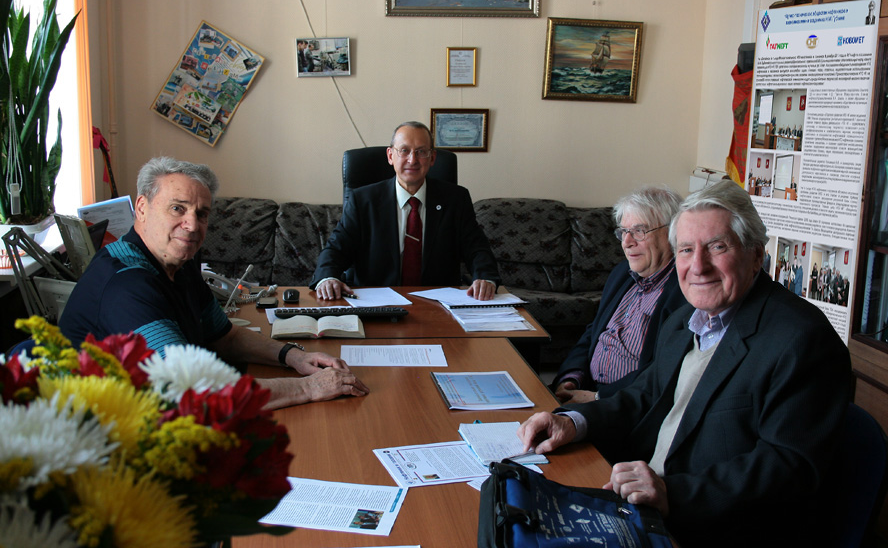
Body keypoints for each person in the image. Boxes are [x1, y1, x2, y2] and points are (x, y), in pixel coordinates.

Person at [516, 180, 851, 547]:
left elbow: (790, 467)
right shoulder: (685, 320)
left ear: (757, 255)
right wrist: (572, 422)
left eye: (717, 247)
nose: (698, 266)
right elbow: (644, 396)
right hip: (642, 503)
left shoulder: (802, 340)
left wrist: (671, 492)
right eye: (687, 250)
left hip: (709, 526)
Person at [60, 157, 369, 409]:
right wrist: (309, 388)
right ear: (141, 208)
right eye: (178, 208)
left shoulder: (180, 262)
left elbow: (224, 336)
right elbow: (195, 393)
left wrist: (294, 356)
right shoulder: (125, 286)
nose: (193, 225)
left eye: (202, 214)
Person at [310, 121, 500, 300]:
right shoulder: (363, 200)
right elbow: (337, 248)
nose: (413, 159)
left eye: (421, 152)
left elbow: (476, 248)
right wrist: (328, 278)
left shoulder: (455, 199)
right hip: (377, 302)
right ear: (390, 156)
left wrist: (485, 278)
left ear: (432, 158)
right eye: (404, 151)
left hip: (439, 303)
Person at [552, 186, 687, 402]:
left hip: (627, 405)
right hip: (586, 390)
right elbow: (593, 332)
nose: (626, 242)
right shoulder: (622, 274)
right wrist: (572, 377)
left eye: (639, 231)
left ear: (672, 233)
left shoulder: (685, 292)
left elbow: (663, 371)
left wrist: (597, 397)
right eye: (623, 232)